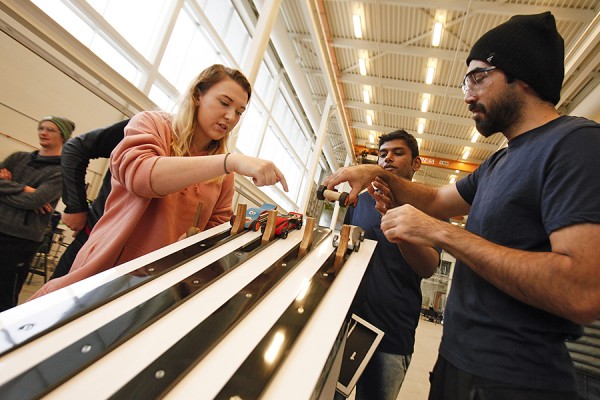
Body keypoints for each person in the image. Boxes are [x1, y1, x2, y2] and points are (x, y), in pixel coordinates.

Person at [324, 12, 600, 400]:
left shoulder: (575, 145)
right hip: (458, 363)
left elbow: (581, 289)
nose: (468, 95)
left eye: (478, 76)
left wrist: (440, 232)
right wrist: (375, 174)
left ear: (522, 76)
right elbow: (436, 199)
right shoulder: (498, 162)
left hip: (516, 381)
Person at [30, 64, 288, 300]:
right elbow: (142, 176)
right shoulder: (152, 125)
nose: (231, 117)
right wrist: (229, 161)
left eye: (239, 112)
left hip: (158, 284)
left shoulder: (223, 173)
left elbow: (215, 228)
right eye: (224, 103)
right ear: (198, 95)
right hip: (107, 271)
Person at [339, 130, 440, 400]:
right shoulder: (359, 200)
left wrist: (401, 230)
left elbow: (428, 267)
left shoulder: (430, 206)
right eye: (383, 154)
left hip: (392, 332)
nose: (388, 159)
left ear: (416, 163)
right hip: (347, 322)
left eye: (398, 153)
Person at [0, 116, 75, 311]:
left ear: (63, 136)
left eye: (50, 130)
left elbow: (35, 201)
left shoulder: (61, 171)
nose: (43, 132)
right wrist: (25, 188)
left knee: (5, 294)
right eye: (41, 128)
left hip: (20, 239)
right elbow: (31, 198)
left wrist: (7, 189)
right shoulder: (17, 158)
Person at [50, 119, 128, 280]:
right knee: (55, 301)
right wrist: (76, 206)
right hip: (96, 240)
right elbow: (75, 149)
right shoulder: (150, 126)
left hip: (140, 260)